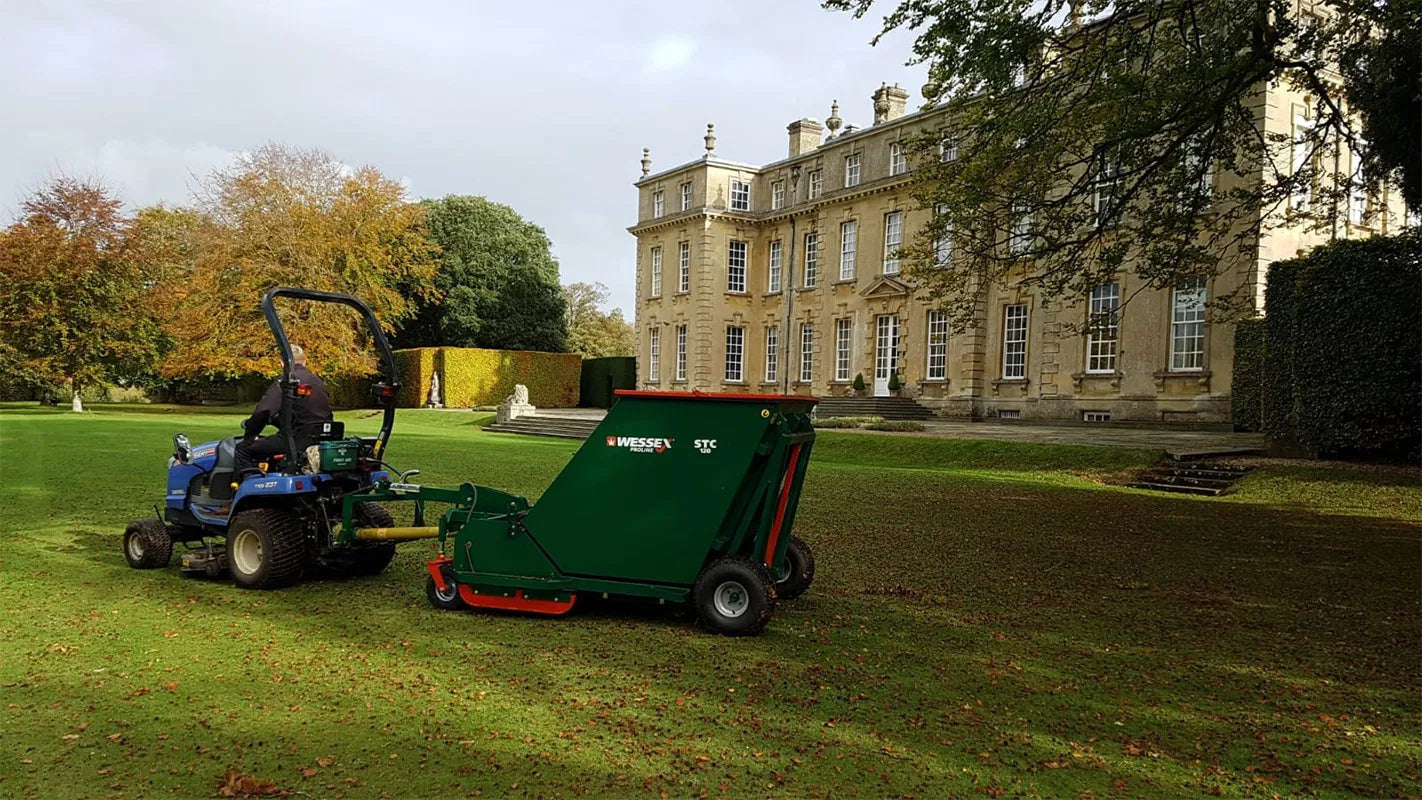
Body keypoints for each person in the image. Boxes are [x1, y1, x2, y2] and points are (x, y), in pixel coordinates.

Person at [234, 345, 333, 473]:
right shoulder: (318, 382)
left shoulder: (286, 382)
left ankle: (244, 486)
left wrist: (250, 434)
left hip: (297, 439)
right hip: (321, 437)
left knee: (243, 449)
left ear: (282, 363)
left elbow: (264, 412)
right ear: (305, 361)